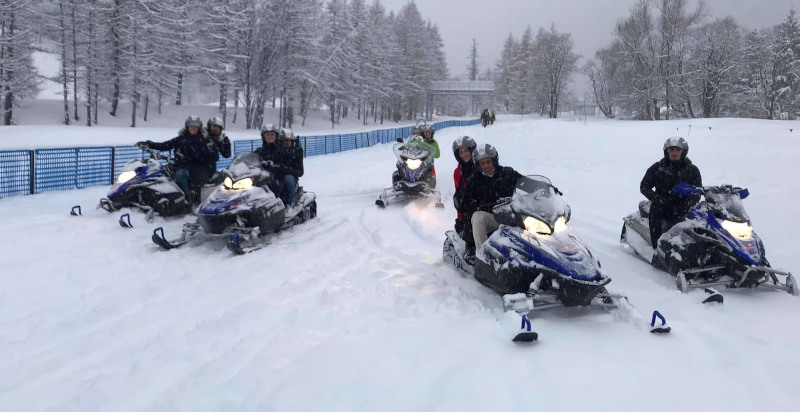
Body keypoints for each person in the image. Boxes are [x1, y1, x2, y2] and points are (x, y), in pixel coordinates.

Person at [461, 144, 522, 263]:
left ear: (494, 160)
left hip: (512, 216)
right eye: (482, 163)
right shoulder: (474, 180)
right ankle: (483, 255)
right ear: (478, 165)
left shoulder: (507, 172)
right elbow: (465, 203)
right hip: (493, 218)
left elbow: (525, 183)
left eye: (488, 162)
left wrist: (542, 189)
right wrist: (476, 206)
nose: (486, 166)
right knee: (477, 217)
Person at [136, 115, 219, 203]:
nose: (193, 128)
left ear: (199, 128)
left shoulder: (203, 141)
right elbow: (165, 145)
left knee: (180, 174)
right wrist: (149, 144)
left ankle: (187, 198)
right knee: (163, 171)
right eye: (191, 126)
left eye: (196, 127)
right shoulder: (180, 139)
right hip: (180, 166)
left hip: (196, 169)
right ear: (187, 127)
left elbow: (211, 156)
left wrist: (209, 151)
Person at [640, 137, 702, 249]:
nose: (674, 153)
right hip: (663, 204)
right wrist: (655, 197)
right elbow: (644, 186)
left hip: (683, 206)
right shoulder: (658, 168)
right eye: (671, 150)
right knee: (655, 210)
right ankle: (657, 247)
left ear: (684, 152)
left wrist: (687, 203)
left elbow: (697, 192)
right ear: (666, 152)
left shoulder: (693, 170)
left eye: (678, 150)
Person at [451, 136, 477, 236]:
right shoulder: (458, 173)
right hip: (470, 211)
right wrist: (460, 218)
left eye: (466, 151)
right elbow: (460, 196)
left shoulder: (482, 166)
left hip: (487, 204)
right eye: (460, 152)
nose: (464, 155)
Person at [277, 128, 304, 206]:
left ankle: (289, 203)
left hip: (290, 176)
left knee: (288, 179)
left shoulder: (296, 152)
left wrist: (286, 170)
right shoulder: (277, 151)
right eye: (285, 140)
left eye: (289, 140)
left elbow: (300, 172)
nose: (287, 142)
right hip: (277, 174)